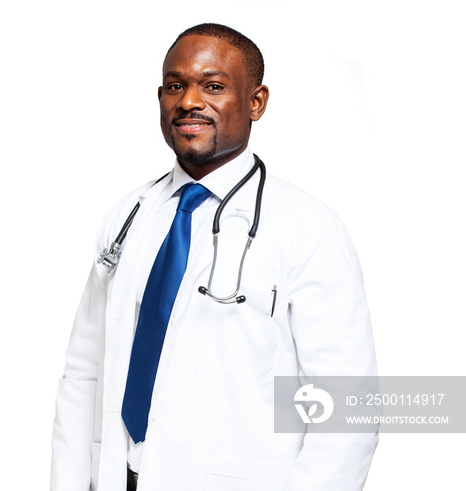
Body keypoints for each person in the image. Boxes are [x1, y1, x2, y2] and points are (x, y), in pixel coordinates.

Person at [51, 23, 378, 491]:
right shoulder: (129, 215)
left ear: (256, 102)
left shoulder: (308, 229)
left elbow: (347, 409)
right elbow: (84, 373)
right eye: (175, 86)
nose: (187, 101)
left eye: (214, 86)